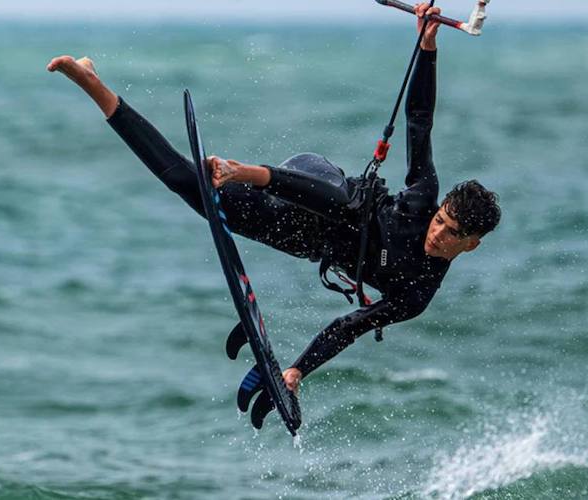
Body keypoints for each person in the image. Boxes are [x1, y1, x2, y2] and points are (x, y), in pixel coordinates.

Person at [47, 3, 501, 396]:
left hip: (308, 237)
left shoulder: (416, 293)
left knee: (188, 187)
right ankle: (250, 172)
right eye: (441, 221)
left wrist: (297, 370)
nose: (437, 233)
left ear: (471, 244)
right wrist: (427, 47)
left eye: (452, 234)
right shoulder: (422, 200)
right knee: (342, 206)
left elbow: (350, 327)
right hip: (312, 181)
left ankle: (92, 81)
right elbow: (420, 119)